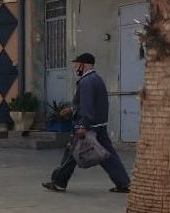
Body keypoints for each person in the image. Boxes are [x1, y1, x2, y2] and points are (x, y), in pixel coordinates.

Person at [43, 53, 131, 193]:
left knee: (71, 154)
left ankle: (59, 183)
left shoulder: (87, 82)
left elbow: (88, 106)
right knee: (107, 155)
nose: (75, 68)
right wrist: (72, 109)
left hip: (88, 126)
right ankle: (123, 183)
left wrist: (82, 125)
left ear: (83, 65)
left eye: (76, 65)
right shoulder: (96, 79)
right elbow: (89, 103)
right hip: (99, 125)